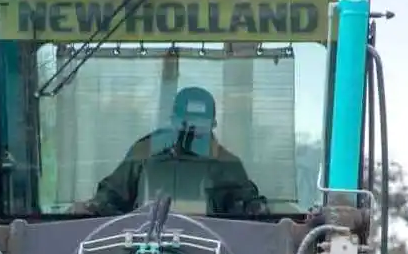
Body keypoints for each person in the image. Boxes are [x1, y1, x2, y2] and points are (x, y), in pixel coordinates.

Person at [70, 86, 265, 216]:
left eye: (199, 126)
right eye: (186, 124)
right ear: (173, 121)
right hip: (140, 246)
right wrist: (92, 207)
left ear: (212, 124)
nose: (191, 132)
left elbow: (247, 210)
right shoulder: (144, 153)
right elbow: (112, 194)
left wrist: (255, 208)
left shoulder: (227, 165)